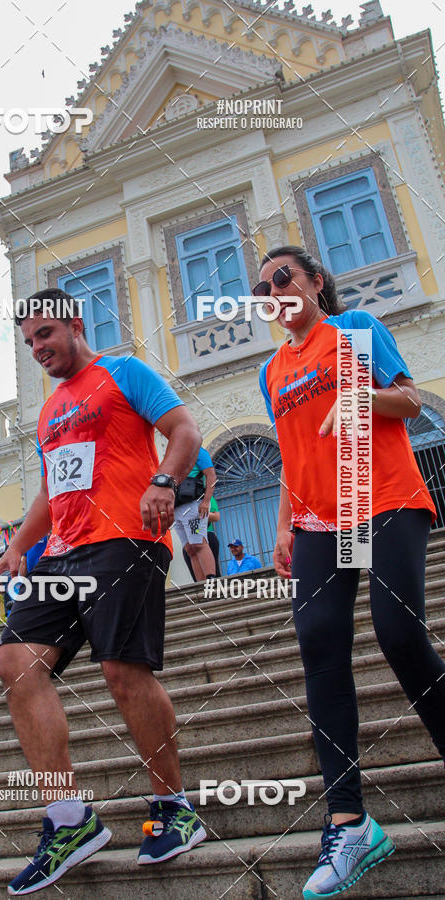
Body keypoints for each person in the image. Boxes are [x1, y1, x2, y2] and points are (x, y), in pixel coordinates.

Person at [0, 288, 206, 895]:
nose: (38, 348)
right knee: (15, 661)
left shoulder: (123, 372)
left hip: (125, 539)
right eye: (29, 341)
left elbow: (184, 428)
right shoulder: (49, 409)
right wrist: (14, 549)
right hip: (63, 549)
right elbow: (49, 494)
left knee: (122, 671)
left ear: (75, 325)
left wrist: (165, 479)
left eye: (46, 334)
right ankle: (70, 820)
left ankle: (174, 808)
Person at [257, 246, 443, 899]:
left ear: (314, 282)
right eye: (262, 286)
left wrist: (359, 398)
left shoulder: (357, 330)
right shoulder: (271, 370)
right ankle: (350, 824)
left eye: (283, 276)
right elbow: (289, 449)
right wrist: (282, 525)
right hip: (314, 523)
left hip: (385, 499)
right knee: (320, 649)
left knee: (399, 634)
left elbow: (411, 401)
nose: (273, 288)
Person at [174, 446, 217, 581]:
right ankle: (200, 584)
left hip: (193, 503)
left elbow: (211, 475)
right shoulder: (173, 453)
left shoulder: (197, 451)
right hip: (177, 505)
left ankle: (211, 579)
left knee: (198, 543)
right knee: (189, 548)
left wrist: (206, 501)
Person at [182, 495, 221, 579]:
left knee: (213, 573)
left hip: (207, 535)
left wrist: (196, 513)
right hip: (189, 540)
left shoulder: (206, 497)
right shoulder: (179, 499)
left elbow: (216, 516)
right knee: (195, 575)